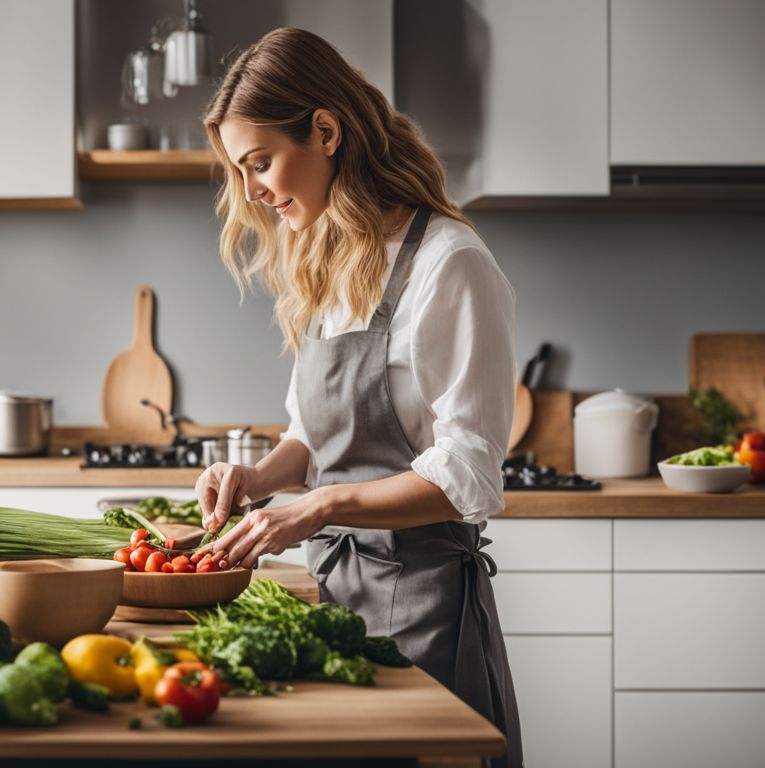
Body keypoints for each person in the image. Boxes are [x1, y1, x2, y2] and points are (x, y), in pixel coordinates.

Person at [194, 28, 523, 767]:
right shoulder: (330, 265)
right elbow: (310, 437)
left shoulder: (451, 266)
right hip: (335, 597)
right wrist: (258, 479)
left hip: (423, 609)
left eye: (261, 163)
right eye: (239, 171)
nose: (251, 192)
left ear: (326, 130)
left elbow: (466, 475)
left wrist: (319, 507)